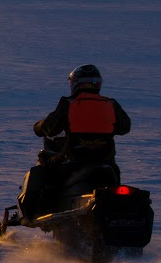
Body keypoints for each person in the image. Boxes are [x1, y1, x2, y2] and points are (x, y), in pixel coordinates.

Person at [13, 64, 131, 224]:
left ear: (75, 83)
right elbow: (124, 127)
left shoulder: (69, 104)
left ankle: (33, 214)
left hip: (73, 161)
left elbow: (51, 127)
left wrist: (39, 126)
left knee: (41, 170)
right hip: (105, 163)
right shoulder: (111, 104)